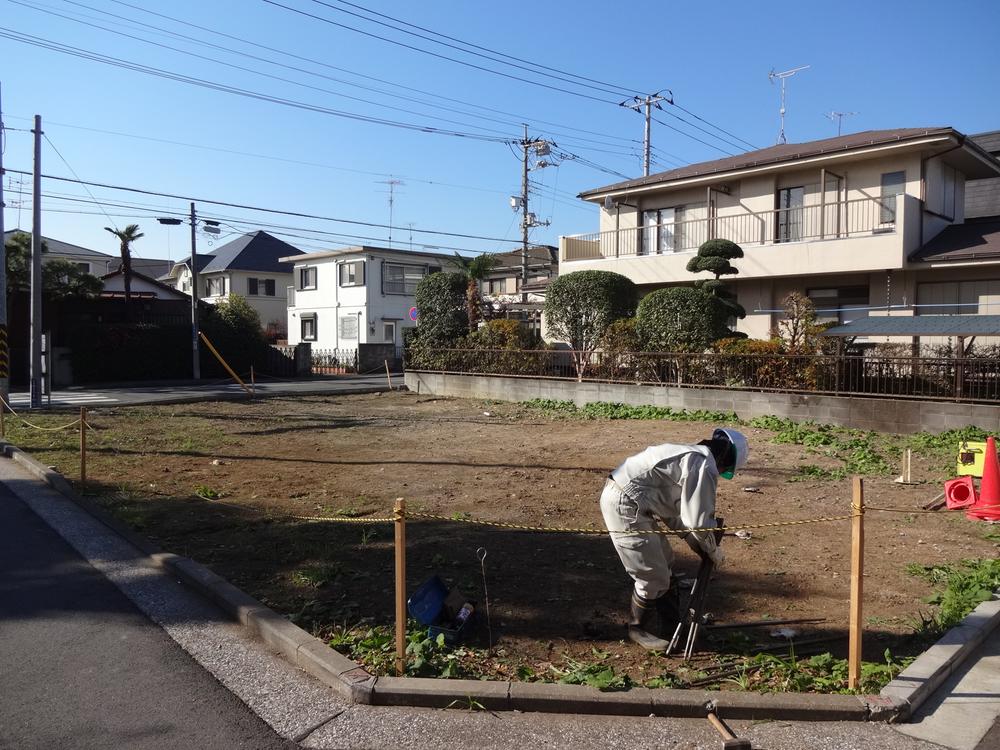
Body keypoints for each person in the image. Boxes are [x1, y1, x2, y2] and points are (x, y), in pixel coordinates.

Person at [600, 428, 749, 650]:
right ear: (725, 460)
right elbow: (698, 521)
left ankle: (671, 626)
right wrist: (712, 550)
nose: (721, 473)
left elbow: (673, 510)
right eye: (725, 470)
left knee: (665, 562)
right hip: (623, 503)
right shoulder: (702, 465)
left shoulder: (691, 457)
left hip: (635, 501)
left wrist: (696, 542)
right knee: (651, 573)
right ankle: (637, 628)